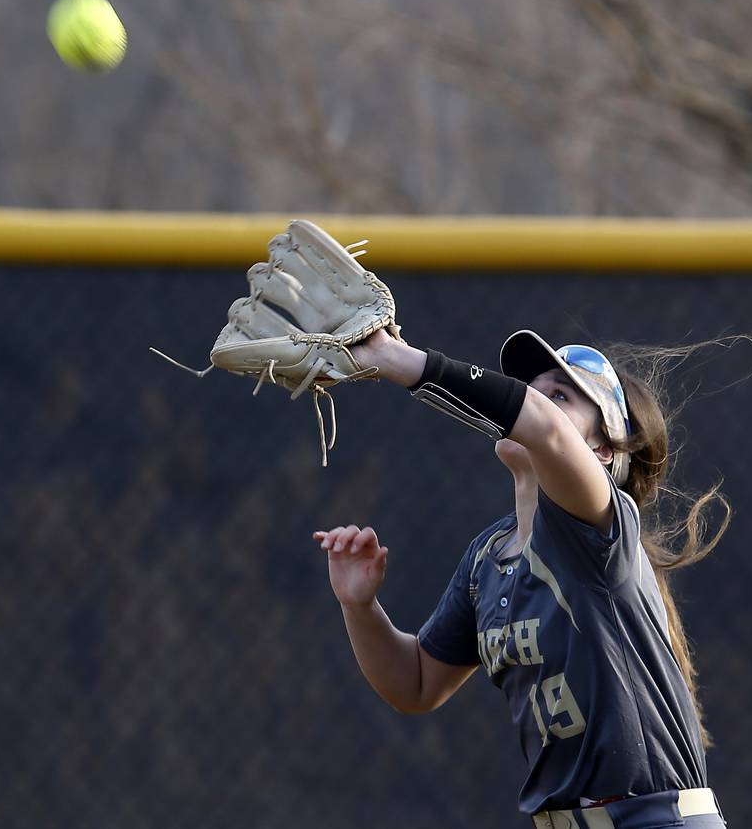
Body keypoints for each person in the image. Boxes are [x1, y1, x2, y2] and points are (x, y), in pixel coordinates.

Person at [312, 326, 730, 828]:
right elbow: (416, 684)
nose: (535, 402)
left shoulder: (598, 529)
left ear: (600, 451)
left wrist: (393, 358)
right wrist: (361, 608)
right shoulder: (488, 557)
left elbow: (546, 432)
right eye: (531, 391)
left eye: (559, 396)